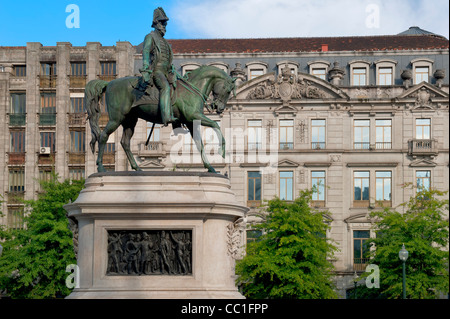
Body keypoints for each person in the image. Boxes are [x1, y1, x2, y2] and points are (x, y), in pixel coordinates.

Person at [140, 7, 177, 126]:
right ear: (156, 23)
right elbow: (145, 52)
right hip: (157, 71)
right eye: (162, 22)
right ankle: (166, 116)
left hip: (167, 72)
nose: (164, 25)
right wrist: (146, 66)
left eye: (165, 23)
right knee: (165, 88)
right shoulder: (150, 37)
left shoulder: (165, 42)